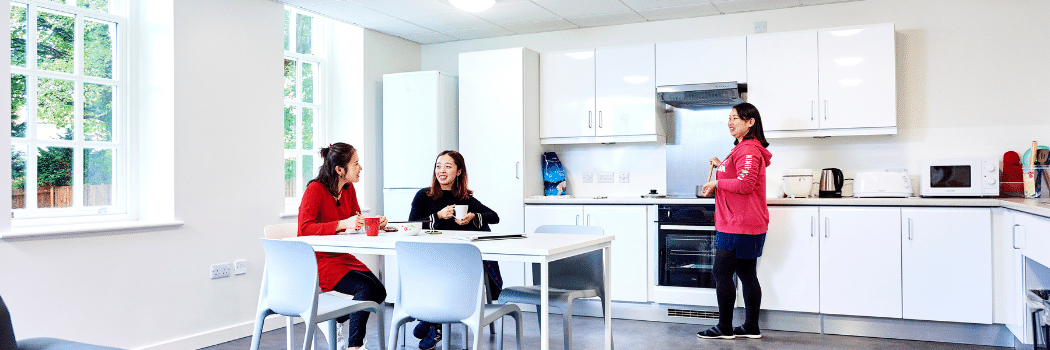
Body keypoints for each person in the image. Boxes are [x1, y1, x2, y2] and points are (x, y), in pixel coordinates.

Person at [407, 150, 501, 350]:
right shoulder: (424, 196)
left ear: (459, 171)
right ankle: (433, 322)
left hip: (457, 262)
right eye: (438, 165)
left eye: (448, 166)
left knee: (450, 274)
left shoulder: (464, 198)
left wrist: (473, 216)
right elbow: (412, 225)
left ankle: (432, 322)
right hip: (429, 257)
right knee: (439, 274)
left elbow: (494, 216)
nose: (441, 170)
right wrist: (438, 216)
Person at [298, 142, 388, 350]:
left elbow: (355, 219)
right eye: (356, 163)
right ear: (340, 170)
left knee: (379, 292)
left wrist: (376, 221)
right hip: (318, 260)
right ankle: (354, 347)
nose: (360, 168)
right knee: (365, 287)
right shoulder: (315, 189)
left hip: (340, 257)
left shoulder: (348, 189)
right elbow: (304, 229)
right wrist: (340, 224)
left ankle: (336, 319)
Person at [697, 102, 772, 340]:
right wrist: (721, 166)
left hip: (739, 223)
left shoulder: (749, 150)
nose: (730, 122)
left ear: (751, 122)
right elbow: (739, 175)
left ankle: (724, 327)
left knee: (721, 272)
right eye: (729, 118)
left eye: (736, 118)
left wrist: (716, 183)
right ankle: (750, 326)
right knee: (747, 273)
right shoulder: (742, 149)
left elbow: (745, 184)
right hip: (744, 222)